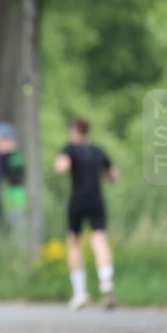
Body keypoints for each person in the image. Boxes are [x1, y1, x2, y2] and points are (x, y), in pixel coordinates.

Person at [55, 116, 118, 310]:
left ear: (74, 130)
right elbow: (113, 175)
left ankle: (80, 291)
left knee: (74, 242)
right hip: (96, 199)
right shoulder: (98, 150)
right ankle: (106, 282)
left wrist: (62, 165)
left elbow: (62, 168)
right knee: (99, 239)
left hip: (78, 200)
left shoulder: (69, 149)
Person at [0, 122, 28, 235]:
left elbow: (14, 176)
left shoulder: (16, 156)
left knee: (18, 232)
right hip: (2, 202)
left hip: (16, 200)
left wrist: (4, 155)